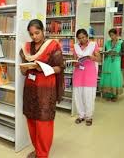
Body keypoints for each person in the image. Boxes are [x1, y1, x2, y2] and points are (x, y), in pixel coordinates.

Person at [19, 19, 64, 158]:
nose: (34, 37)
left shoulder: (52, 46)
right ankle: (37, 149)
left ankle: (43, 154)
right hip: (30, 90)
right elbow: (23, 70)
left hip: (45, 90)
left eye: (37, 33)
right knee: (31, 121)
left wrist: (43, 68)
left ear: (43, 31)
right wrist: (25, 68)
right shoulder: (26, 48)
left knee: (44, 123)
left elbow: (59, 68)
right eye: (31, 34)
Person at [72, 29, 101, 126]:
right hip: (78, 73)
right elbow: (74, 60)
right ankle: (81, 115)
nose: (81, 40)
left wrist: (91, 57)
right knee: (78, 96)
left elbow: (99, 59)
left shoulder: (93, 45)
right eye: (79, 38)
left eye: (83, 37)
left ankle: (89, 117)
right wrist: (75, 63)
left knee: (89, 96)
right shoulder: (75, 46)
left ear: (87, 36)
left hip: (90, 74)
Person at [100, 28, 123, 101]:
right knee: (107, 77)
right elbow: (106, 51)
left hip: (116, 61)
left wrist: (118, 53)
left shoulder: (121, 43)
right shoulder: (107, 43)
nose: (111, 37)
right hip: (108, 61)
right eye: (110, 35)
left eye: (113, 35)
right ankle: (108, 94)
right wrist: (105, 53)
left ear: (116, 34)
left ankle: (115, 95)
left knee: (115, 77)